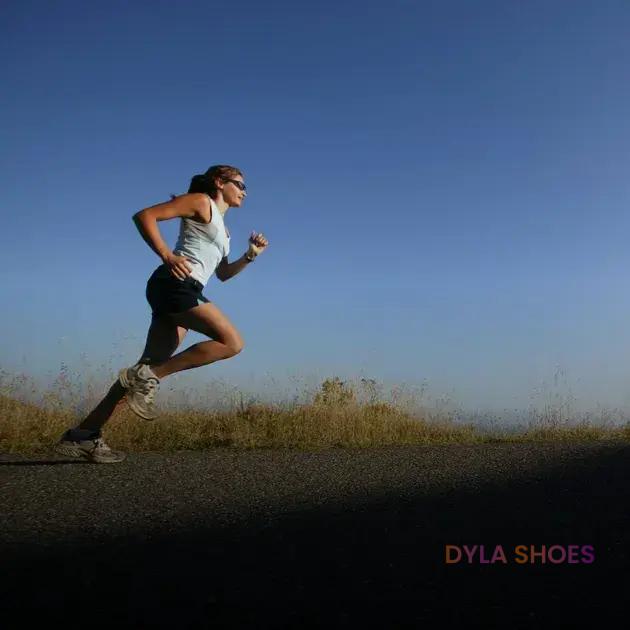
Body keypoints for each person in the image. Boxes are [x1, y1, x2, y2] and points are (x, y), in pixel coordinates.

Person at [55, 164, 268, 463]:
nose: (245, 191)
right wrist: (167, 255)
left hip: (185, 289)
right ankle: (149, 377)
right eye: (240, 184)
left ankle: (84, 434)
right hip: (175, 285)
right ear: (220, 182)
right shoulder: (200, 201)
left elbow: (222, 274)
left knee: (139, 373)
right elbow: (145, 216)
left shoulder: (224, 229)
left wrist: (249, 256)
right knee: (232, 342)